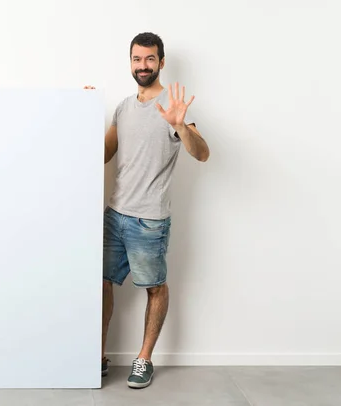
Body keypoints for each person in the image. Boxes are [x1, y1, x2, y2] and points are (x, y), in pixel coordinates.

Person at [85, 32, 210, 389]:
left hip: (149, 221)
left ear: (161, 62)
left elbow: (201, 153)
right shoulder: (124, 107)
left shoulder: (172, 106)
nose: (143, 66)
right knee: (102, 284)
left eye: (150, 59)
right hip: (115, 214)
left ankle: (144, 360)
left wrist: (181, 126)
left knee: (155, 288)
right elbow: (103, 154)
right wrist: (82, 111)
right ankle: (98, 355)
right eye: (137, 59)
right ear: (130, 63)